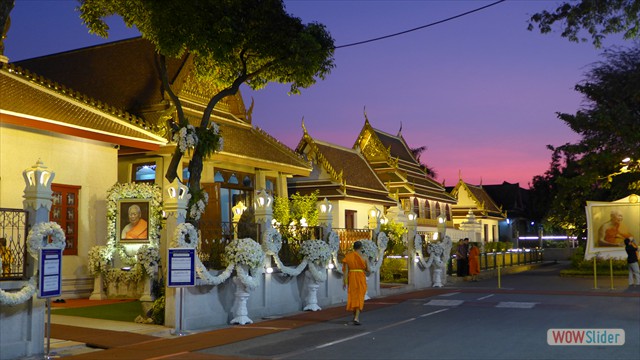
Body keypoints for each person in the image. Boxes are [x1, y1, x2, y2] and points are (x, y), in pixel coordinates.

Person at [342, 241, 369, 325]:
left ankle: (355, 316)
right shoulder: (364, 257)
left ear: (353, 247)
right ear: (361, 247)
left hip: (352, 277)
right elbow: (368, 269)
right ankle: (356, 317)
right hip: (360, 277)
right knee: (359, 296)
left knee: (353, 296)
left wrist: (344, 282)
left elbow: (345, 271)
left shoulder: (348, 256)